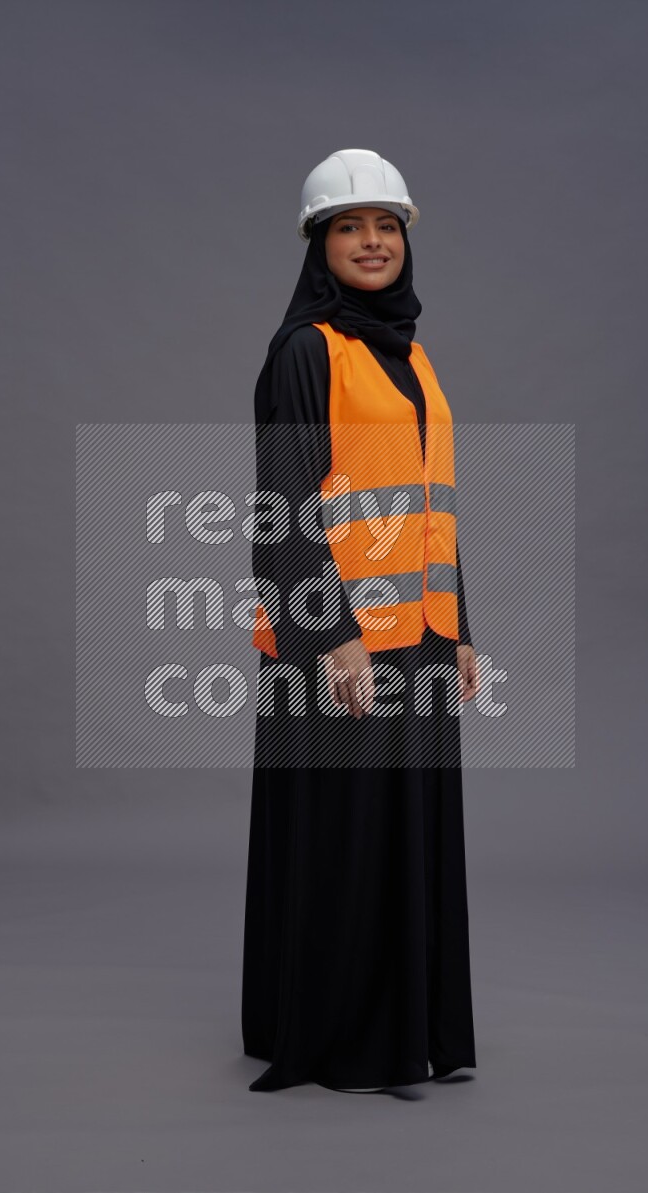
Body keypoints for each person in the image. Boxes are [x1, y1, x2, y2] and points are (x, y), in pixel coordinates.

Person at [241, 148, 478, 1094]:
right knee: (342, 839)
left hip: (417, 638)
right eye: (350, 226)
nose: (372, 242)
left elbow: (435, 503)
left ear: (405, 237)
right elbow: (285, 508)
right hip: (334, 643)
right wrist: (331, 637)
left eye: (386, 225)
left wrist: (462, 626)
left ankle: (405, 1028)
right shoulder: (305, 352)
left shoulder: (414, 356)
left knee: (407, 831)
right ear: (319, 242)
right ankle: (338, 1036)